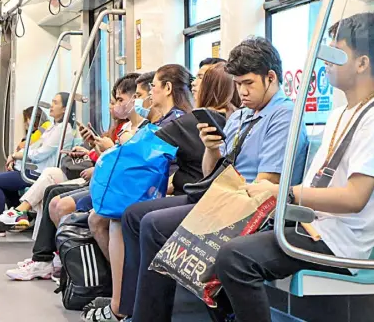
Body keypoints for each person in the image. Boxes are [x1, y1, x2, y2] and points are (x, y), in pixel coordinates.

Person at [213, 13, 374, 322]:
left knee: (234, 258)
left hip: (341, 242)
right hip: (317, 226)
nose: (327, 61)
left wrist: (284, 193)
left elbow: (355, 198)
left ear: (362, 63)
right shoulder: (342, 113)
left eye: (336, 52)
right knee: (217, 240)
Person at [119, 37, 309, 322]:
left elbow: (265, 186)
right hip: (223, 195)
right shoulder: (241, 117)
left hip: (249, 208)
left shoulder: (282, 117)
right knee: (135, 215)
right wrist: (211, 148)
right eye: (238, 84)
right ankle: (134, 311)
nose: (241, 92)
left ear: (271, 77)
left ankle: (149, 317)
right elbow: (212, 172)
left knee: (154, 225)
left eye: (248, 84)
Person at [81, 63, 237, 321]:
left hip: (199, 194)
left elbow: (139, 153)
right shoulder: (221, 119)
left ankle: (127, 306)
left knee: (130, 217)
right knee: (127, 215)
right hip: (191, 189)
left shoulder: (186, 122)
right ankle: (129, 303)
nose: (194, 84)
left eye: (200, 79)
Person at [4, 77, 131, 281]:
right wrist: (92, 150)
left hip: (108, 183)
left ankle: (43, 248)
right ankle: (45, 257)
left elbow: (120, 162)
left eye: (118, 100)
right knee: (52, 193)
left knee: (58, 198)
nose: (112, 106)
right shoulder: (116, 129)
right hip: (99, 177)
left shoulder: (135, 131)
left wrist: (96, 157)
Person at [0, 92, 75, 237]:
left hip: (41, 172)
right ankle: (20, 218)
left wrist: (16, 155)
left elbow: (40, 154)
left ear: (65, 109)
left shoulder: (63, 130)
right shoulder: (52, 128)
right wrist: (16, 159)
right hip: (34, 168)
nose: (51, 106)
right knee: (4, 182)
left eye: (55, 103)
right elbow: (33, 149)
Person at [0, 106, 49, 215]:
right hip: (21, 167)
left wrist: (14, 156)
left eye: (26, 119)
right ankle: (17, 216)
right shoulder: (33, 134)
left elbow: (29, 150)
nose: (25, 123)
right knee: (0, 180)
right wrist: (13, 159)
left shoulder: (44, 130)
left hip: (32, 171)